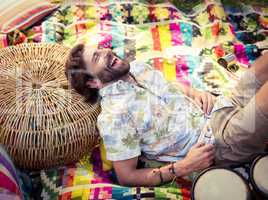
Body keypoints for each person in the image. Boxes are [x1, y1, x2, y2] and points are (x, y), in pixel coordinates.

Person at [65, 44, 268, 186]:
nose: (106, 51)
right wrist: (184, 166)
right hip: (221, 143)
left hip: (221, 105)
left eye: (101, 48)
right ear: (92, 82)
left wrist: (194, 93)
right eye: (96, 57)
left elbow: (170, 86)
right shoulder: (114, 118)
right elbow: (127, 176)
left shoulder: (137, 67)